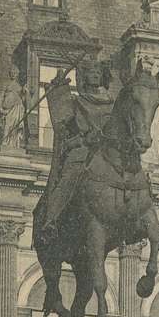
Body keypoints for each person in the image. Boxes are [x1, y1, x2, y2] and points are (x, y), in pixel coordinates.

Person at [39, 54, 114, 241]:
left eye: (98, 72)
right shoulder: (76, 102)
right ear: (84, 77)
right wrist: (58, 91)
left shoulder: (112, 104)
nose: (95, 75)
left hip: (107, 153)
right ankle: (51, 220)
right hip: (82, 150)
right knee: (68, 177)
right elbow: (63, 126)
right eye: (91, 72)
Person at [0, 64, 26, 148]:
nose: (13, 74)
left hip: (17, 108)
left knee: (15, 127)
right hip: (7, 109)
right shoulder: (6, 84)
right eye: (12, 72)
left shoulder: (19, 86)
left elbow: (23, 100)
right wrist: (0, 107)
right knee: (7, 125)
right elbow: (1, 95)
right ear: (10, 73)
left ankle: (15, 144)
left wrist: (24, 92)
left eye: (15, 72)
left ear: (17, 74)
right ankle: (5, 142)